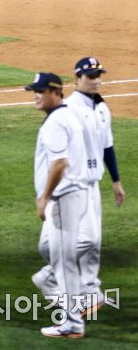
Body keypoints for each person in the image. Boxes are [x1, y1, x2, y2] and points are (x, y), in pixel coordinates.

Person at [32, 57, 125, 319]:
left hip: (92, 184)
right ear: (77, 77)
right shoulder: (68, 108)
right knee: (67, 242)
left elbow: (107, 146)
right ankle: (53, 280)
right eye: (89, 75)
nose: (95, 79)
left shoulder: (102, 108)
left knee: (91, 243)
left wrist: (116, 181)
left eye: (98, 74)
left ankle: (88, 292)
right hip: (70, 186)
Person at [25, 72, 89, 339]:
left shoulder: (55, 122)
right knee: (47, 250)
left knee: (60, 263)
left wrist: (44, 197)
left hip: (62, 199)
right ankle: (66, 290)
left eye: (40, 91)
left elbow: (59, 163)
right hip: (73, 197)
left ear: (55, 91)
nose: (36, 96)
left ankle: (72, 321)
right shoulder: (65, 117)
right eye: (34, 91)